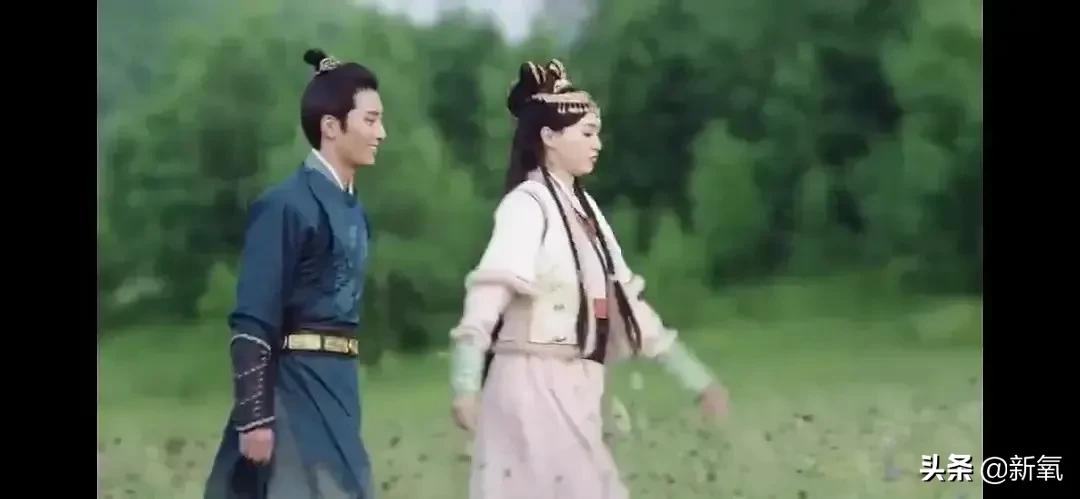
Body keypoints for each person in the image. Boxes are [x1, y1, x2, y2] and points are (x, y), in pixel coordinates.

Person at [447, 59, 730, 499]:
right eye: (587, 133)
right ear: (549, 137)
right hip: (530, 383)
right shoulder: (527, 206)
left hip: (578, 381)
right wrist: (466, 382)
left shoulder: (587, 212)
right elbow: (489, 292)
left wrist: (694, 378)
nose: (597, 144)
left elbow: (628, 305)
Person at [203, 48, 386, 499]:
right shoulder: (285, 204)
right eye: (370, 120)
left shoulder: (354, 209)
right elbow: (253, 316)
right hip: (292, 388)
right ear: (331, 126)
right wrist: (255, 417)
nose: (381, 133)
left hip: (338, 384)